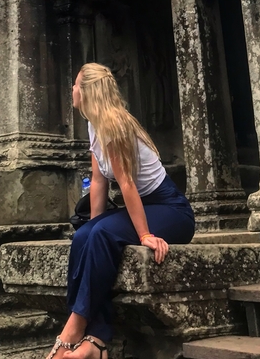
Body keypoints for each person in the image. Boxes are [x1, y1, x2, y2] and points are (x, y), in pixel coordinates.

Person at [48, 63, 195, 359]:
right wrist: (92, 225)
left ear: (87, 92)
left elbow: (126, 183)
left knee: (102, 234)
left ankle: (74, 330)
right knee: (84, 236)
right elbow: (99, 181)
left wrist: (144, 235)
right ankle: (95, 341)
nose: (72, 90)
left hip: (171, 210)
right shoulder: (93, 124)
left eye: (75, 85)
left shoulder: (113, 125)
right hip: (144, 206)